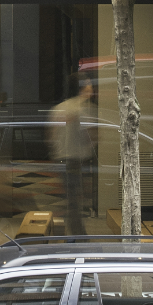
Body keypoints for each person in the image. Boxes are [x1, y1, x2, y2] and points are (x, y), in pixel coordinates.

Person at [51, 76, 98, 236]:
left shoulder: (59, 108)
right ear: (81, 87)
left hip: (62, 159)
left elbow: (52, 135)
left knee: (72, 199)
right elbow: (90, 135)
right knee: (76, 201)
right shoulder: (85, 108)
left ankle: (75, 233)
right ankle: (78, 235)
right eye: (88, 84)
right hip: (77, 161)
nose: (91, 87)